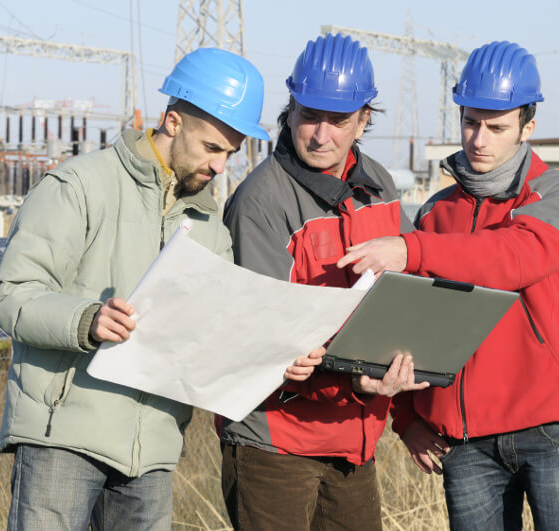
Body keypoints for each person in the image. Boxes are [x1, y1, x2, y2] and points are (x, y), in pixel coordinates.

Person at [0, 47, 271, 531]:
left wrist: (277, 354)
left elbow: (216, 332)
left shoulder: (210, 226)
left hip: (152, 452)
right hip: (64, 437)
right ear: (173, 121)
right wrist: (87, 320)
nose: (221, 167)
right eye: (211, 148)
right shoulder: (80, 185)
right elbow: (13, 296)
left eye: (230, 152)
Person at [338, 41, 559, 530]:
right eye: (471, 122)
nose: (479, 139)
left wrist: (411, 249)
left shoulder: (552, 193)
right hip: (465, 444)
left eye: (497, 127)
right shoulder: (434, 213)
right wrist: (408, 420)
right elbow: (397, 323)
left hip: (551, 430)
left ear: (528, 127)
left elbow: (514, 258)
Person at [217, 33, 426, 531]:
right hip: (274, 442)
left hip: (354, 438)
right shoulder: (259, 203)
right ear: (289, 110)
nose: (320, 134)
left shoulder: (379, 184)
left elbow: (408, 292)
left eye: (339, 121)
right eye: (309, 115)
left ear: (364, 120)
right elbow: (271, 340)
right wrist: (357, 380)